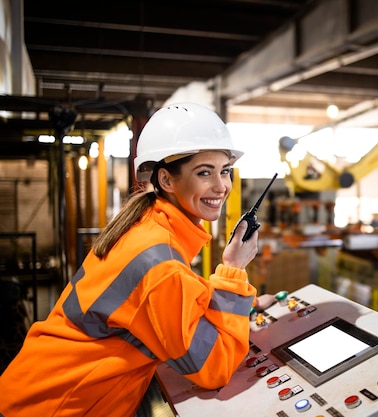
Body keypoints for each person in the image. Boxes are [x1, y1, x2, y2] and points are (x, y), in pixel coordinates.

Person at [0, 103, 260, 417]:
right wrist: (232, 272)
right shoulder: (159, 262)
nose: (221, 186)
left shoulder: (146, 227)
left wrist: (234, 303)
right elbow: (214, 367)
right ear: (166, 180)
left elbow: (163, 303)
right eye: (204, 172)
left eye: (225, 171)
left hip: (35, 395)